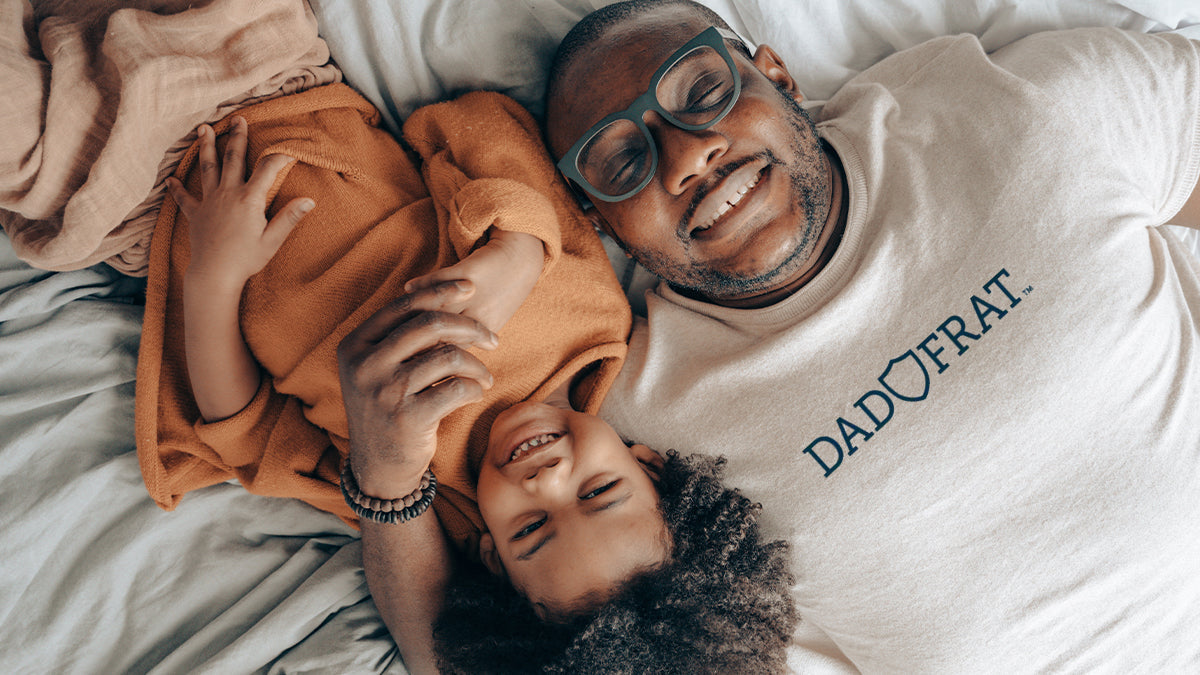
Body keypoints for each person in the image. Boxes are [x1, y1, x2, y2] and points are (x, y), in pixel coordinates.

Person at [534, 0, 1200, 671]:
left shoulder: (1022, 110)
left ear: (778, 76)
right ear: (597, 221)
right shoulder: (631, 411)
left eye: (704, 92)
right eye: (622, 163)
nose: (687, 155)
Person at [135, 82, 798, 673]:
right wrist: (517, 248)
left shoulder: (418, 487)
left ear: (489, 556)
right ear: (647, 464)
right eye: (599, 490)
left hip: (169, 206)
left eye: (532, 530)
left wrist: (214, 278)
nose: (547, 481)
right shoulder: (591, 318)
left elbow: (246, 432)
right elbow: (480, 127)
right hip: (292, 93)